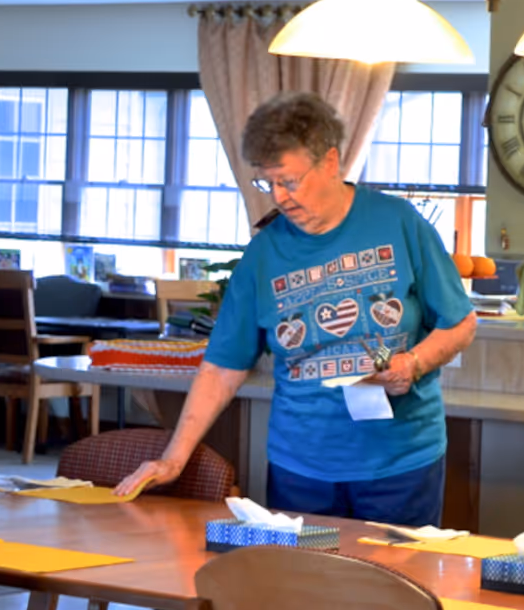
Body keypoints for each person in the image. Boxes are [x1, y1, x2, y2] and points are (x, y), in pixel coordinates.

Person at [115, 92, 476, 524]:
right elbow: (221, 368)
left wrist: (413, 363)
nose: (279, 197)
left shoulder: (398, 222)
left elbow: (460, 323)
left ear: (329, 162)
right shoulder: (263, 255)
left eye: (289, 181)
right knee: (304, 587)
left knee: (390, 590)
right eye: (267, 183)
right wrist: (172, 459)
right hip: (301, 468)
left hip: (400, 462)